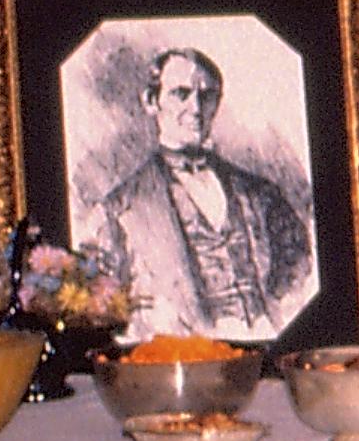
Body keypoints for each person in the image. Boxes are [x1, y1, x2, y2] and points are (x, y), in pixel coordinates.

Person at [91, 46, 316, 343]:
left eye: (206, 96)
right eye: (181, 94)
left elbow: (301, 267)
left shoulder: (260, 193)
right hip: (181, 350)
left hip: (266, 339)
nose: (196, 109)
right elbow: (106, 309)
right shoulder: (120, 209)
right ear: (150, 101)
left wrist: (276, 317)